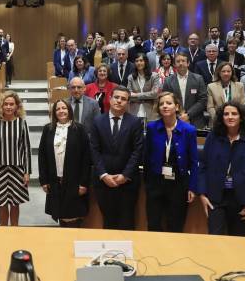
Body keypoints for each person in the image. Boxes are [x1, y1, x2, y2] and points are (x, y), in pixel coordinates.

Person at [197, 102, 245, 236]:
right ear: (221, 118)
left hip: (242, 199)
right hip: (216, 197)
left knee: (238, 243)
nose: (230, 117)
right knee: (214, 239)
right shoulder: (213, 137)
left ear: (241, 117)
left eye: (234, 113)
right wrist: (202, 194)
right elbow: (203, 165)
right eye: (226, 114)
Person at [89, 86, 143, 230]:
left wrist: (125, 175)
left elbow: (137, 151)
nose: (119, 101)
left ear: (128, 103)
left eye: (123, 99)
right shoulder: (97, 121)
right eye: (116, 97)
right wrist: (104, 174)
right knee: (108, 222)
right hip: (104, 182)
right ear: (110, 99)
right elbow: (94, 150)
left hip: (127, 183)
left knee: (127, 222)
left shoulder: (135, 122)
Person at [143, 91, 198, 232]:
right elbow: (146, 156)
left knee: (175, 225)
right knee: (154, 223)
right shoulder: (151, 128)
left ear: (177, 106)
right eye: (161, 104)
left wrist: (192, 187)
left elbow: (194, 161)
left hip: (179, 184)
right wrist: (148, 184)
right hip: (156, 182)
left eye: (169, 103)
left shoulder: (189, 130)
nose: (165, 106)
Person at [38, 99, 91, 227]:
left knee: (73, 217)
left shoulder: (80, 129)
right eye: (58, 109)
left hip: (74, 181)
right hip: (54, 181)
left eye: (64, 108)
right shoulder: (48, 129)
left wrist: (84, 183)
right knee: (60, 213)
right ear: (54, 112)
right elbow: (42, 156)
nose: (61, 111)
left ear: (69, 110)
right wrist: (44, 181)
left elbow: (86, 158)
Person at [0, 91, 32, 226]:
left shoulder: (22, 123)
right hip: (0, 169)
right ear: (1, 106)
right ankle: (3, 230)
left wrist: (27, 172)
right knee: (2, 203)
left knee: (15, 202)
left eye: (11, 104)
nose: (8, 107)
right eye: (6, 104)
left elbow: (26, 148)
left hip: (17, 169)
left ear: (17, 106)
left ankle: (14, 230)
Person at [162, 52, 208, 129]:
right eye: (178, 61)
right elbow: (165, 101)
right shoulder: (168, 81)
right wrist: (178, 115)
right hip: (174, 120)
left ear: (188, 63)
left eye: (183, 61)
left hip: (195, 120)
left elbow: (203, 100)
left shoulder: (198, 79)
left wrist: (188, 115)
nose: (181, 63)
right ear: (174, 64)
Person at [127, 53, 159, 122]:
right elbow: (129, 95)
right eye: (137, 61)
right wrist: (148, 96)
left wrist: (136, 95)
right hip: (134, 111)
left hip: (151, 111)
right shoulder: (131, 77)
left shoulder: (154, 76)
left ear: (145, 62)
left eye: (141, 60)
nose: (139, 63)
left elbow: (155, 94)